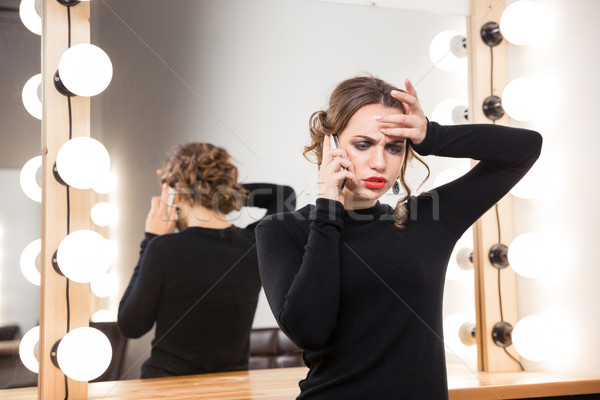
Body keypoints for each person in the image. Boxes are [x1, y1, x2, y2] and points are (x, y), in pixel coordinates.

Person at [255, 76, 542, 399]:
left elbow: (525, 148)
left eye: (394, 147)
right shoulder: (283, 230)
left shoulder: (427, 221)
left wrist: (431, 135)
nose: (380, 162)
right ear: (330, 144)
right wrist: (327, 211)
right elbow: (310, 331)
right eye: (363, 144)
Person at [118, 142, 295, 378]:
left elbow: (131, 326)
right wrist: (216, 189)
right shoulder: (253, 246)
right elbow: (284, 196)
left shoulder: (162, 248)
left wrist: (150, 238)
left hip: (165, 388)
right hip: (232, 390)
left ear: (175, 193)